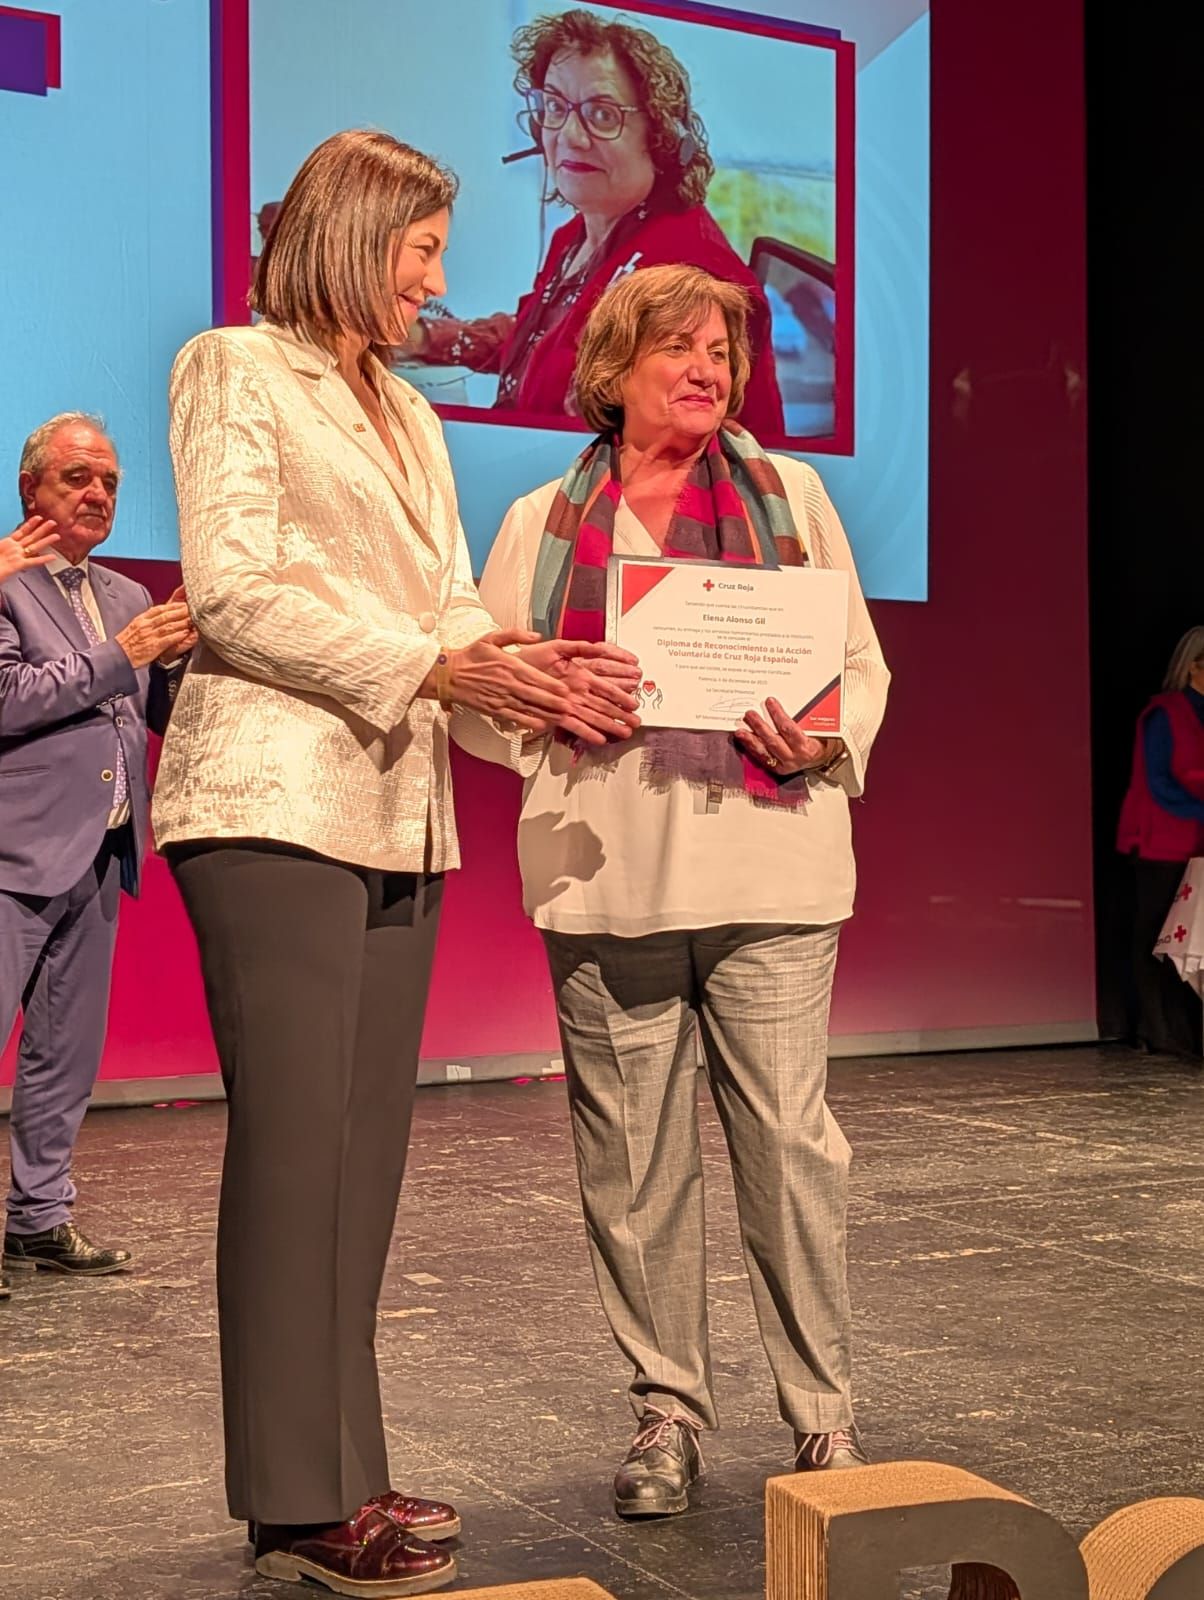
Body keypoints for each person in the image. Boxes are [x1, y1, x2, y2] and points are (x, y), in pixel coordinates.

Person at [152, 129, 640, 1598]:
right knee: (295, 1151)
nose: (438, 277)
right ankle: (295, 1496)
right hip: (271, 799)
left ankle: (342, 1468)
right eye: (420, 247)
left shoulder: (414, 417)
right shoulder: (235, 367)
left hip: (397, 807)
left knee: (359, 1165)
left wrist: (533, 679)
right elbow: (233, 593)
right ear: (348, 235)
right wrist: (445, 667)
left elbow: (438, 607)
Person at [453, 264, 889, 1517]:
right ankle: (665, 1414)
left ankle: (822, 1419)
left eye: (726, 352)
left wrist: (827, 735)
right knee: (633, 1160)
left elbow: (856, 666)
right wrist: (545, 697)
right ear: (613, 366)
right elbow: (483, 700)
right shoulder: (544, 518)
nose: (710, 369)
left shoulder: (791, 495)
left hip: (773, 864)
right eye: (682, 348)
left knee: (790, 1147)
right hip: (607, 870)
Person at [1, 415, 195, 1301]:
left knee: (65, 1054)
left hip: (101, 852)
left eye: (111, 482)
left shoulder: (124, 596)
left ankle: (38, 1220)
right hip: (14, 852)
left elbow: (153, 709)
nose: (98, 494)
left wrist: (191, 659)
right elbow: (10, 699)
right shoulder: (5, 583)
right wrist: (128, 655)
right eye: (78, 478)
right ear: (30, 489)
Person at [406, 7, 785, 436]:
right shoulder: (579, 234)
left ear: (661, 137)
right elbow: (535, 344)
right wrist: (424, 338)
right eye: (554, 106)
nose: (568, 135)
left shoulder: (690, 273)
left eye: (602, 114)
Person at [1116, 626, 1204, 1058]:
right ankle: (1155, 1029)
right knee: (1156, 939)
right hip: (1161, 842)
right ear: (1192, 667)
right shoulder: (1164, 715)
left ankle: (1186, 1031)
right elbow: (1159, 783)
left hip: (1197, 847)